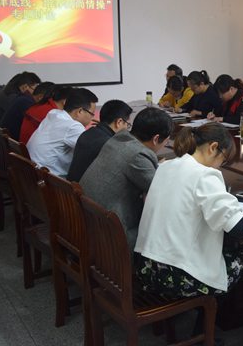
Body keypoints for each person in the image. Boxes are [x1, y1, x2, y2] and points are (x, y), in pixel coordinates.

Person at [134, 123, 243, 344]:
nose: (221, 166)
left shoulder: (166, 165)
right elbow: (238, 228)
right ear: (213, 147)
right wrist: (232, 202)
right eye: (223, 160)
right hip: (176, 275)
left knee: (221, 255)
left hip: (147, 266)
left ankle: (203, 329)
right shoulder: (205, 175)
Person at [80, 107, 173, 250]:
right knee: (168, 230)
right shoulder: (138, 155)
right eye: (166, 141)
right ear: (156, 139)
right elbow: (160, 192)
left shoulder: (118, 139)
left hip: (87, 221)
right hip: (110, 236)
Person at [26, 88, 98, 177]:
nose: (92, 118)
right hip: (47, 179)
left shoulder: (54, 113)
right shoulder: (73, 126)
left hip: (31, 172)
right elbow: (94, 152)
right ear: (80, 111)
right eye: (92, 114)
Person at [67, 100, 133, 182]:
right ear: (119, 122)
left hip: (72, 186)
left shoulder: (88, 133)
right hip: (84, 188)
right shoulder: (110, 144)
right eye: (128, 125)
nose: (127, 129)